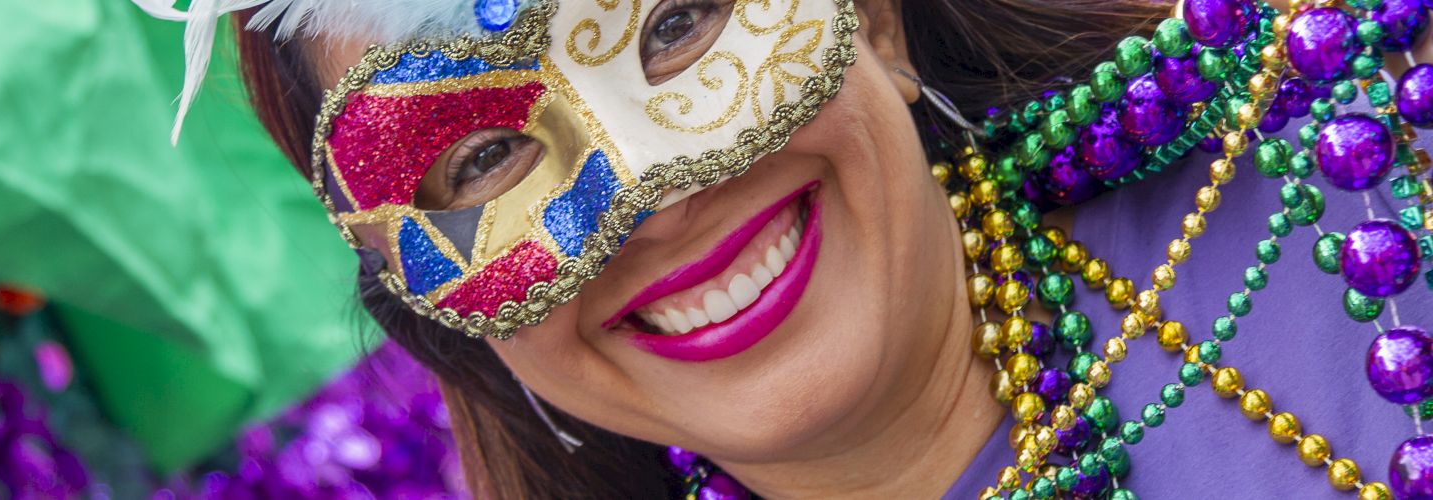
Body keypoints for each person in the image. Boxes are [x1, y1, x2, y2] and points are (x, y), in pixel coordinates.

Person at [137, 0, 1433, 497]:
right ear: (435, 306)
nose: (644, 196)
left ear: (873, 20)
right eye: (481, 159)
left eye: (678, 27)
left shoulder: (1368, 172)